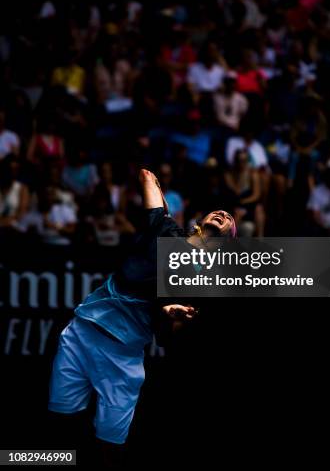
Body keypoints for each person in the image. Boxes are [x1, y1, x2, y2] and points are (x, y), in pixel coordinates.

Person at [48, 168, 236, 465]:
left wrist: (168, 312)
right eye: (219, 212)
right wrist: (161, 199)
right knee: (60, 420)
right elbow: (146, 176)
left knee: (109, 442)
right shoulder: (163, 228)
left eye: (229, 220)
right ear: (200, 222)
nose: (224, 214)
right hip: (81, 333)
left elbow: (167, 331)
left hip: (122, 356)